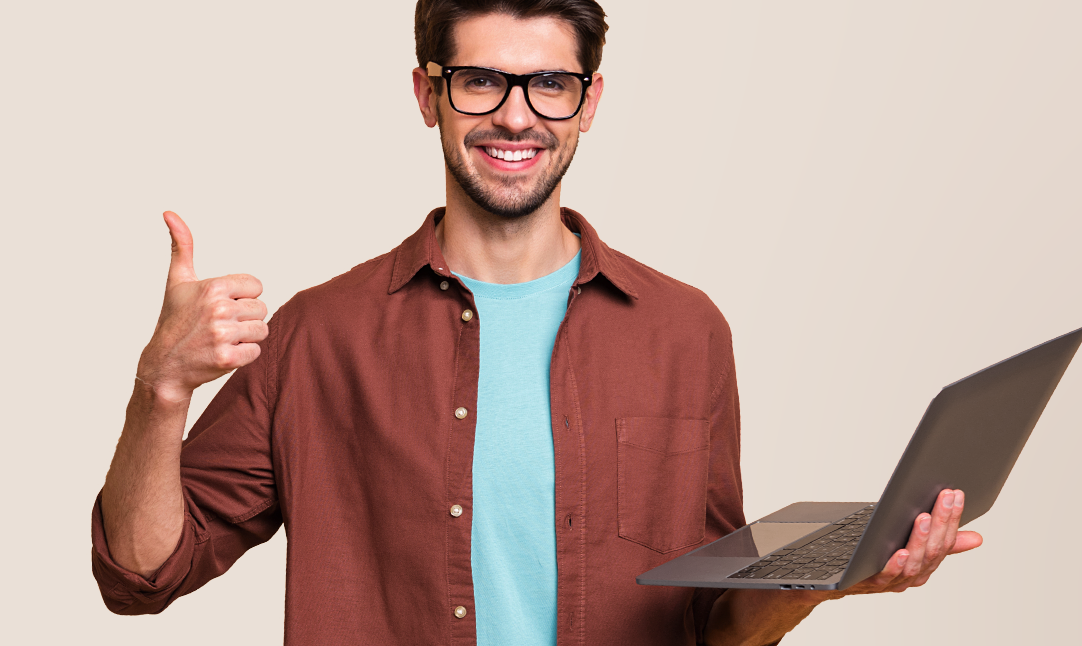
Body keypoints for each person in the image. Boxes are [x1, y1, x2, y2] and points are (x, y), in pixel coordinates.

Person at [91, 1, 982, 644]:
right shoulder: (316, 336)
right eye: (481, 80)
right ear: (426, 93)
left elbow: (712, 625)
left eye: (550, 84)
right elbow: (141, 576)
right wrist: (158, 391)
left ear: (589, 103)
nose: (515, 115)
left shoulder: (685, 331)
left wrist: (816, 582)